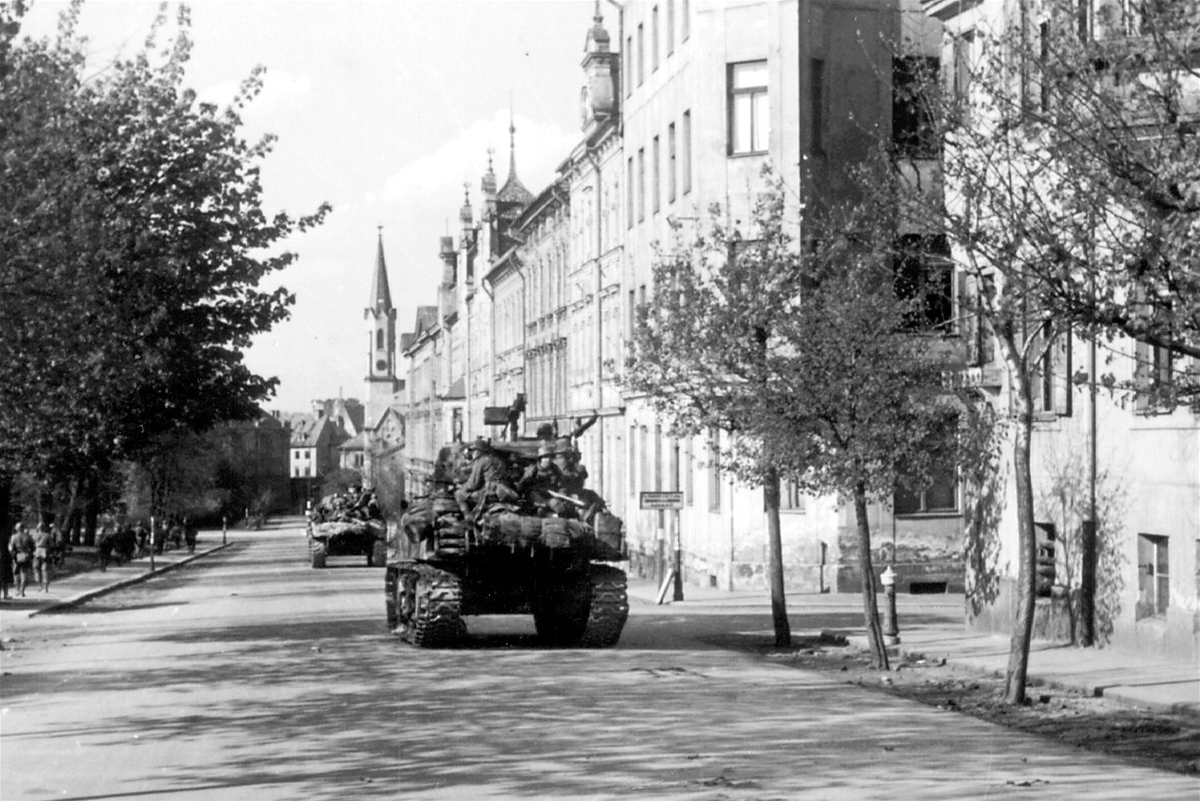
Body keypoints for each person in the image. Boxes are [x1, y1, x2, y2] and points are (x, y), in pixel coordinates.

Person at [455, 437, 516, 520]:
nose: (472, 453)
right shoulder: (498, 460)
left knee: (459, 494)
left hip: (490, 494)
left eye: (474, 450)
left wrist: (462, 488)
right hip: (504, 493)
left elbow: (473, 484)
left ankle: (469, 518)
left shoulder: (481, 461)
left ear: (479, 451)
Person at [9, 523, 35, 597]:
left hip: (17, 555)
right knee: (24, 572)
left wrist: (13, 555)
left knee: (16, 572)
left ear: (16, 528)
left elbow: (11, 548)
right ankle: (22, 590)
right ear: (23, 528)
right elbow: (33, 546)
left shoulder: (13, 537)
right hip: (26, 555)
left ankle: (17, 589)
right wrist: (31, 553)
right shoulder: (28, 536)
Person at [33, 522, 52, 593]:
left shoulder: (34, 536)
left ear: (38, 528)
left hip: (37, 552)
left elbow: (32, 545)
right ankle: (46, 588)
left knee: (36, 569)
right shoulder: (48, 535)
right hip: (45, 552)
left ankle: (40, 586)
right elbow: (51, 544)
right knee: (45, 569)